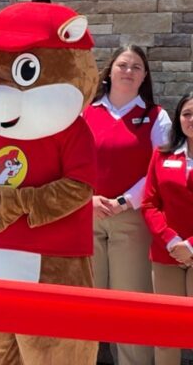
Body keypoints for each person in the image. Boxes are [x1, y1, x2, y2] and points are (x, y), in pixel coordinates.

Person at [82, 45, 171, 365]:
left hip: (130, 219)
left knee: (130, 301)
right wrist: (87, 198)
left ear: (144, 76)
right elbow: (72, 160)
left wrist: (123, 201)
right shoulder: (86, 111)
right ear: (110, 71)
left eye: (136, 67)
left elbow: (157, 169)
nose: (129, 71)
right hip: (86, 215)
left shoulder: (155, 116)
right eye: (123, 65)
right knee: (85, 302)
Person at [141, 92, 193, 365]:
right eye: (187, 113)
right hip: (166, 254)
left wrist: (190, 245)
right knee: (166, 331)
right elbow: (149, 203)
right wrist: (171, 240)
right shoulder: (161, 156)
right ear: (178, 119)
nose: (192, 119)